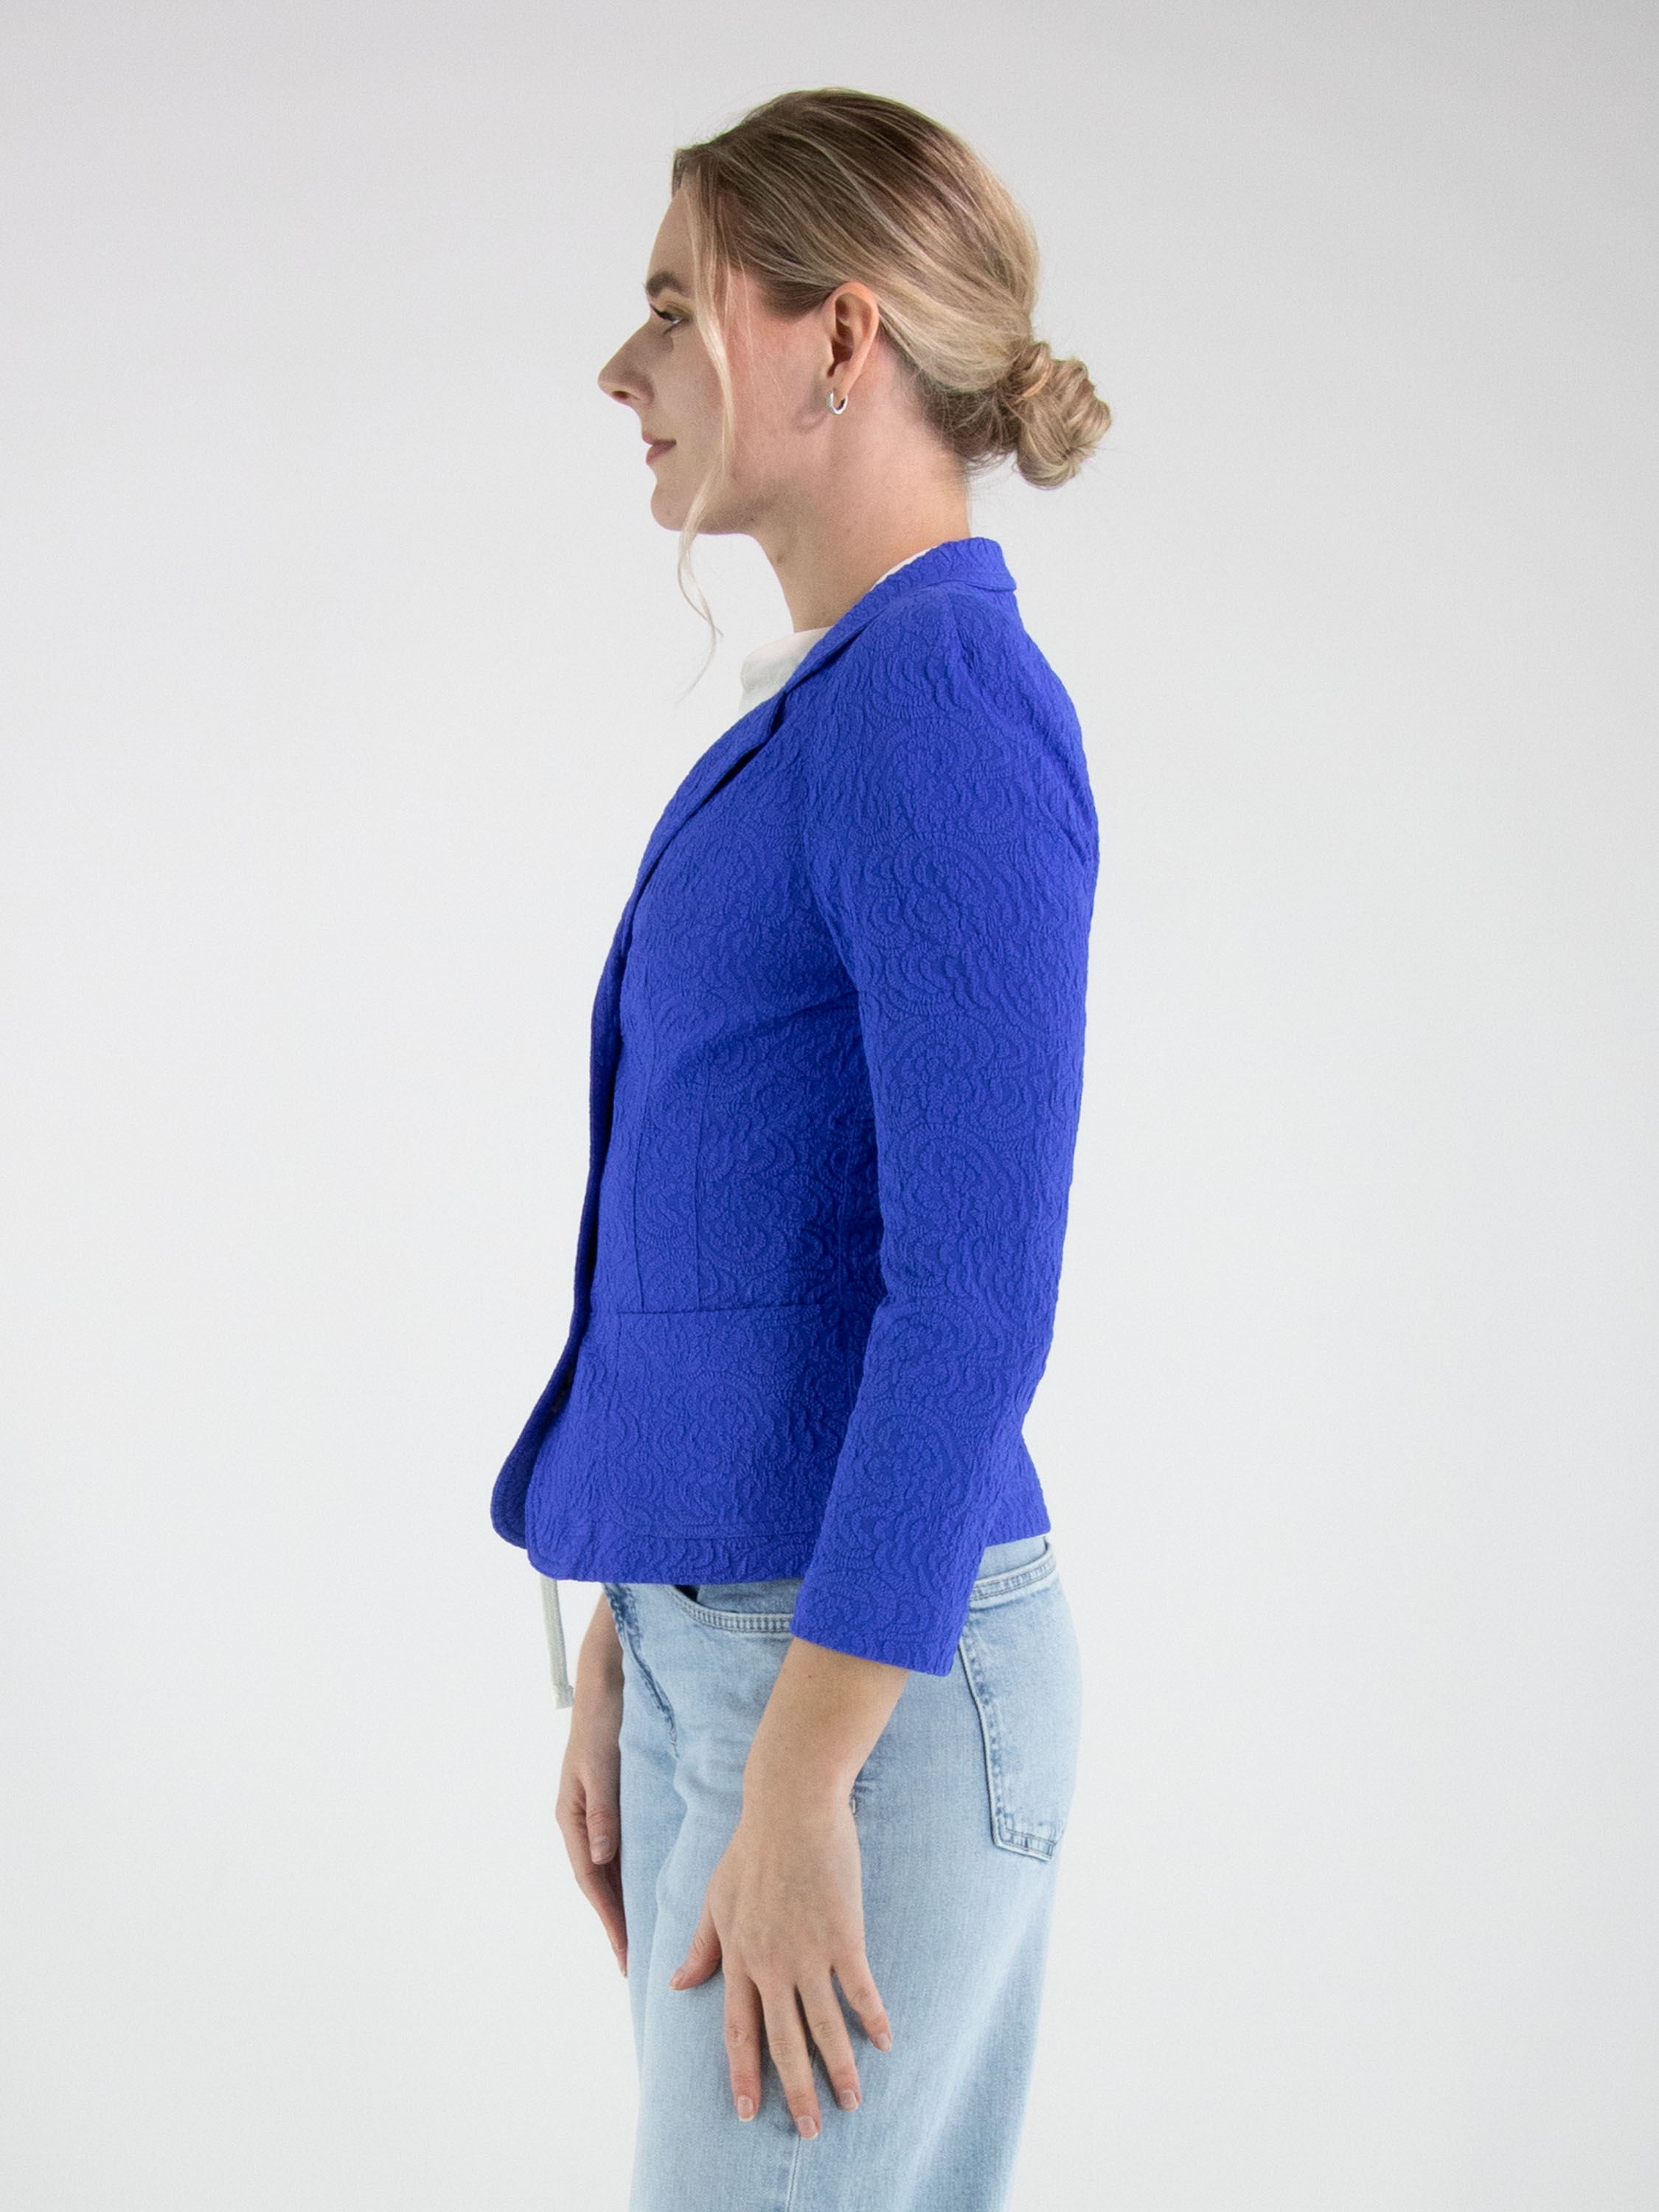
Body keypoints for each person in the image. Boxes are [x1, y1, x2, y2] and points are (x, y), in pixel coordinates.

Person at [490, 86, 1110, 2212]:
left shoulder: (937, 711)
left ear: (838, 340)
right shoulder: (849, 705)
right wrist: (634, 1621)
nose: (625, 366)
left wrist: (802, 1772)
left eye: (677, 307)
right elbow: (755, 1225)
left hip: (859, 1693)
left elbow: (971, 1305)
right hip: (746, 1649)